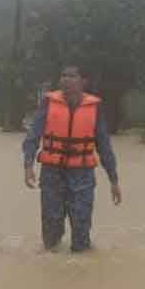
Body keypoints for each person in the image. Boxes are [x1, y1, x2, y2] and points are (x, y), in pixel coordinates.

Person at [22, 65, 122, 253]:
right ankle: (52, 262)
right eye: (63, 76)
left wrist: (114, 181)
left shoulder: (94, 108)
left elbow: (104, 147)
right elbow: (33, 136)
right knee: (51, 228)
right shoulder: (48, 103)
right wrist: (28, 165)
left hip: (82, 175)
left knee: (81, 227)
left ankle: (81, 263)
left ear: (83, 82)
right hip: (52, 174)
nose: (66, 80)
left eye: (72, 76)